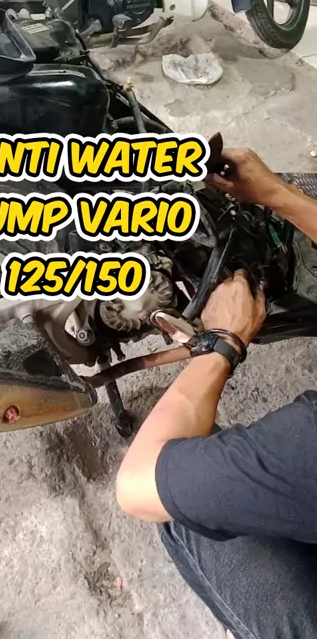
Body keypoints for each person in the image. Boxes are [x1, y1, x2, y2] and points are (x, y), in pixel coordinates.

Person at [116, 147, 317, 639]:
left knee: (179, 488)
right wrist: (277, 195)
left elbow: (137, 486)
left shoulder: (306, 447)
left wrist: (221, 344)